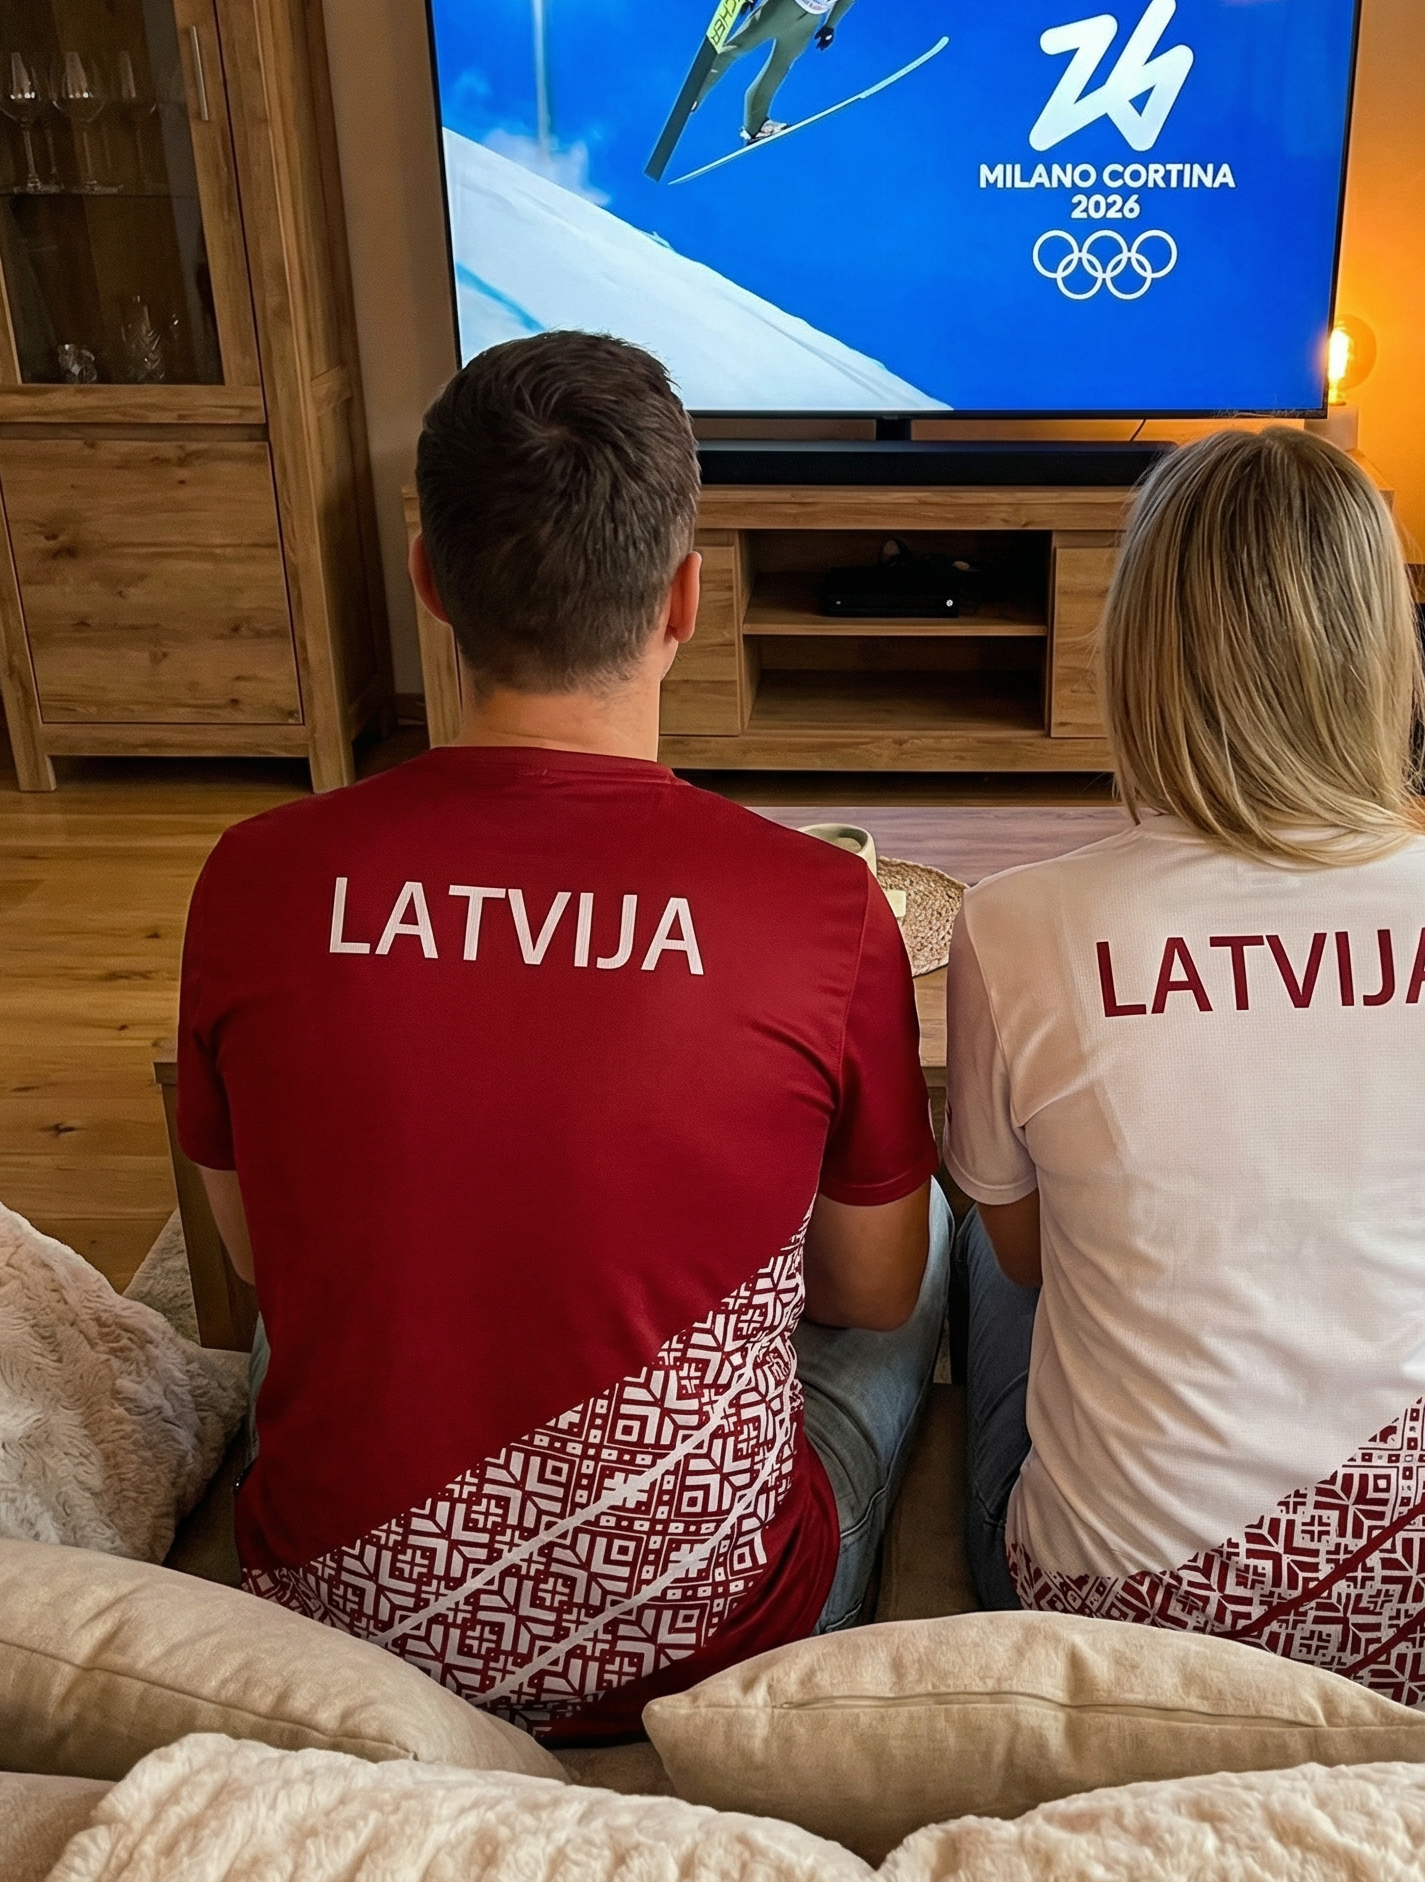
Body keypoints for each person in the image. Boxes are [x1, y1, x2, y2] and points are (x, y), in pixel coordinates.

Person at [177, 331, 947, 1740]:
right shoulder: (828, 908)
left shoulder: (252, 876)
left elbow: (250, 1255)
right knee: (934, 1243)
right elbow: (870, 1292)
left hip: (332, 1628)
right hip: (707, 1646)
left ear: (428, 580)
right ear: (688, 596)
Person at [945, 426, 1425, 1718]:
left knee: (976, 1265)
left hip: (1126, 1631)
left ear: (1138, 648)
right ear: (1379, 649)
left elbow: (1028, 1259)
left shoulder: (1011, 926)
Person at [700, 0, 891, 143]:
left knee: (779, 68)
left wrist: (830, 26)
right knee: (739, 47)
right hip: (784, 4)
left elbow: (846, 0)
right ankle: (696, 92)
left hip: (808, 22)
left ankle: (755, 126)